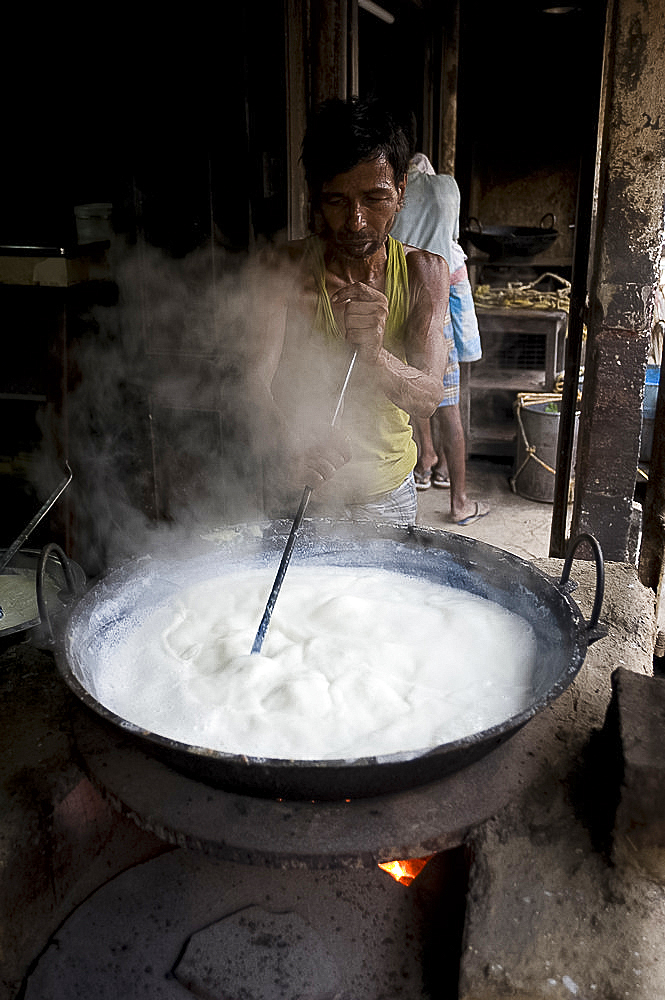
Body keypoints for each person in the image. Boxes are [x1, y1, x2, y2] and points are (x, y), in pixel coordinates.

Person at [246, 98, 450, 525]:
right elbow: (249, 383)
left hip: (387, 498)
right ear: (315, 198)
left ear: (401, 192)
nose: (355, 221)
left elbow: (428, 398)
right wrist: (290, 444)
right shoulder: (282, 270)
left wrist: (373, 354)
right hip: (301, 490)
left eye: (375, 198)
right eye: (337, 200)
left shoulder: (424, 273)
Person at [391, 152, 490, 525]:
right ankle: (459, 502)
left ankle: (424, 465)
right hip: (435, 308)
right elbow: (450, 242)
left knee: (405, 395)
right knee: (448, 407)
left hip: (396, 305)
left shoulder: (391, 190)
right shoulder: (447, 188)